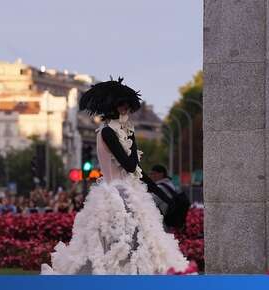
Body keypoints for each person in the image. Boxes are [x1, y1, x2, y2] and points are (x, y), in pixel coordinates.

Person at [41, 78, 189, 275]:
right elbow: (130, 166)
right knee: (111, 244)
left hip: (131, 194)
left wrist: (163, 196)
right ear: (112, 106)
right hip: (113, 196)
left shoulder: (125, 130)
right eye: (121, 104)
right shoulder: (107, 132)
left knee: (140, 241)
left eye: (128, 104)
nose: (125, 108)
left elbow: (137, 172)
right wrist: (132, 143)